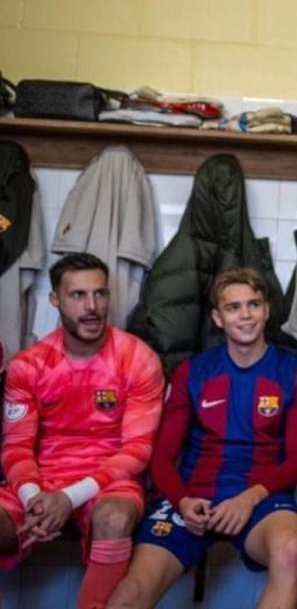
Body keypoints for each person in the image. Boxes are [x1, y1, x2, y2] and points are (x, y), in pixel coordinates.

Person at [108, 268, 297, 609]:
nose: (245, 315)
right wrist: (183, 502)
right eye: (233, 308)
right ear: (218, 318)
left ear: (266, 310)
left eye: (253, 305)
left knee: (292, 550)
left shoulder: (295, 373)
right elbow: (161, 458)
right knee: (132, 592)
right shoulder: (193, 371)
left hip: (261, 498)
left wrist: (248, 499)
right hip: (194, 498)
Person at [0, 252, 164, 609]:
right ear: (55, 300)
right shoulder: (29, 365)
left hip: (110, 478)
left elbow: (137, 450)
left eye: (100, 294)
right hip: (42, 478)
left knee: (116, 517)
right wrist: (34, 500)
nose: (92, 306)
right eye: (78, 295)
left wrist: (69, 498)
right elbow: (16, 447)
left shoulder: (139, 358)